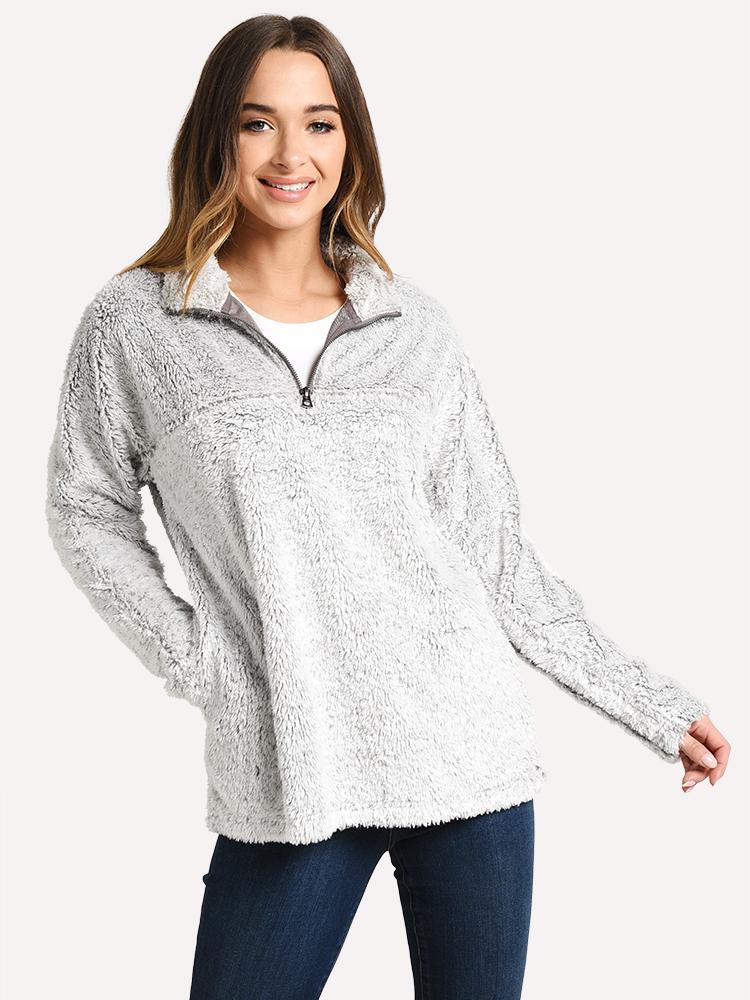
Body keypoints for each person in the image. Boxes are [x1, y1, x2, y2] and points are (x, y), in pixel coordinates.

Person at [45, 15, 730, 1000]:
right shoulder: (140, 324)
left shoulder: (415, 328)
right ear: (215, 139)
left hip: (466, 756)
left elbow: (499, 561)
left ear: (350, 143)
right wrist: (198, 658)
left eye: (320, 124)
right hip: (292, 764)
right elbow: (86, 506)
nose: (292, 154)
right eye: (257, 123)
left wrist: (654, 707)